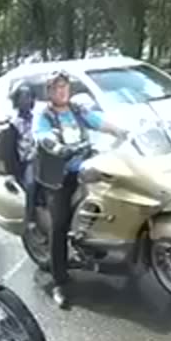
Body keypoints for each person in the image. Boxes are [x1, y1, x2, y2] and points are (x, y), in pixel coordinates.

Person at [33, 71, 125, 308]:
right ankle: (59, 282)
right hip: (59, 176)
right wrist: (57, 146)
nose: (61, 91)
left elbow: (98, 121)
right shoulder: (45, 115)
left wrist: (121, 131)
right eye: (56, 88)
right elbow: (42, 136)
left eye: (64, 87)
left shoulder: (77, 110)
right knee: (59, 226)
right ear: (49, 92)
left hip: (85, 167)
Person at [8, 83, 39, 221]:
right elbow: (12, 150)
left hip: (43, 155)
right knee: (31, 184)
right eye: (23, 97)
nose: (27, 101)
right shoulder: (14, 123)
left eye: (29, 97)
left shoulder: (38, 118)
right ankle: (30, 217)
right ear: (17, 101)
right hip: (28, 160)